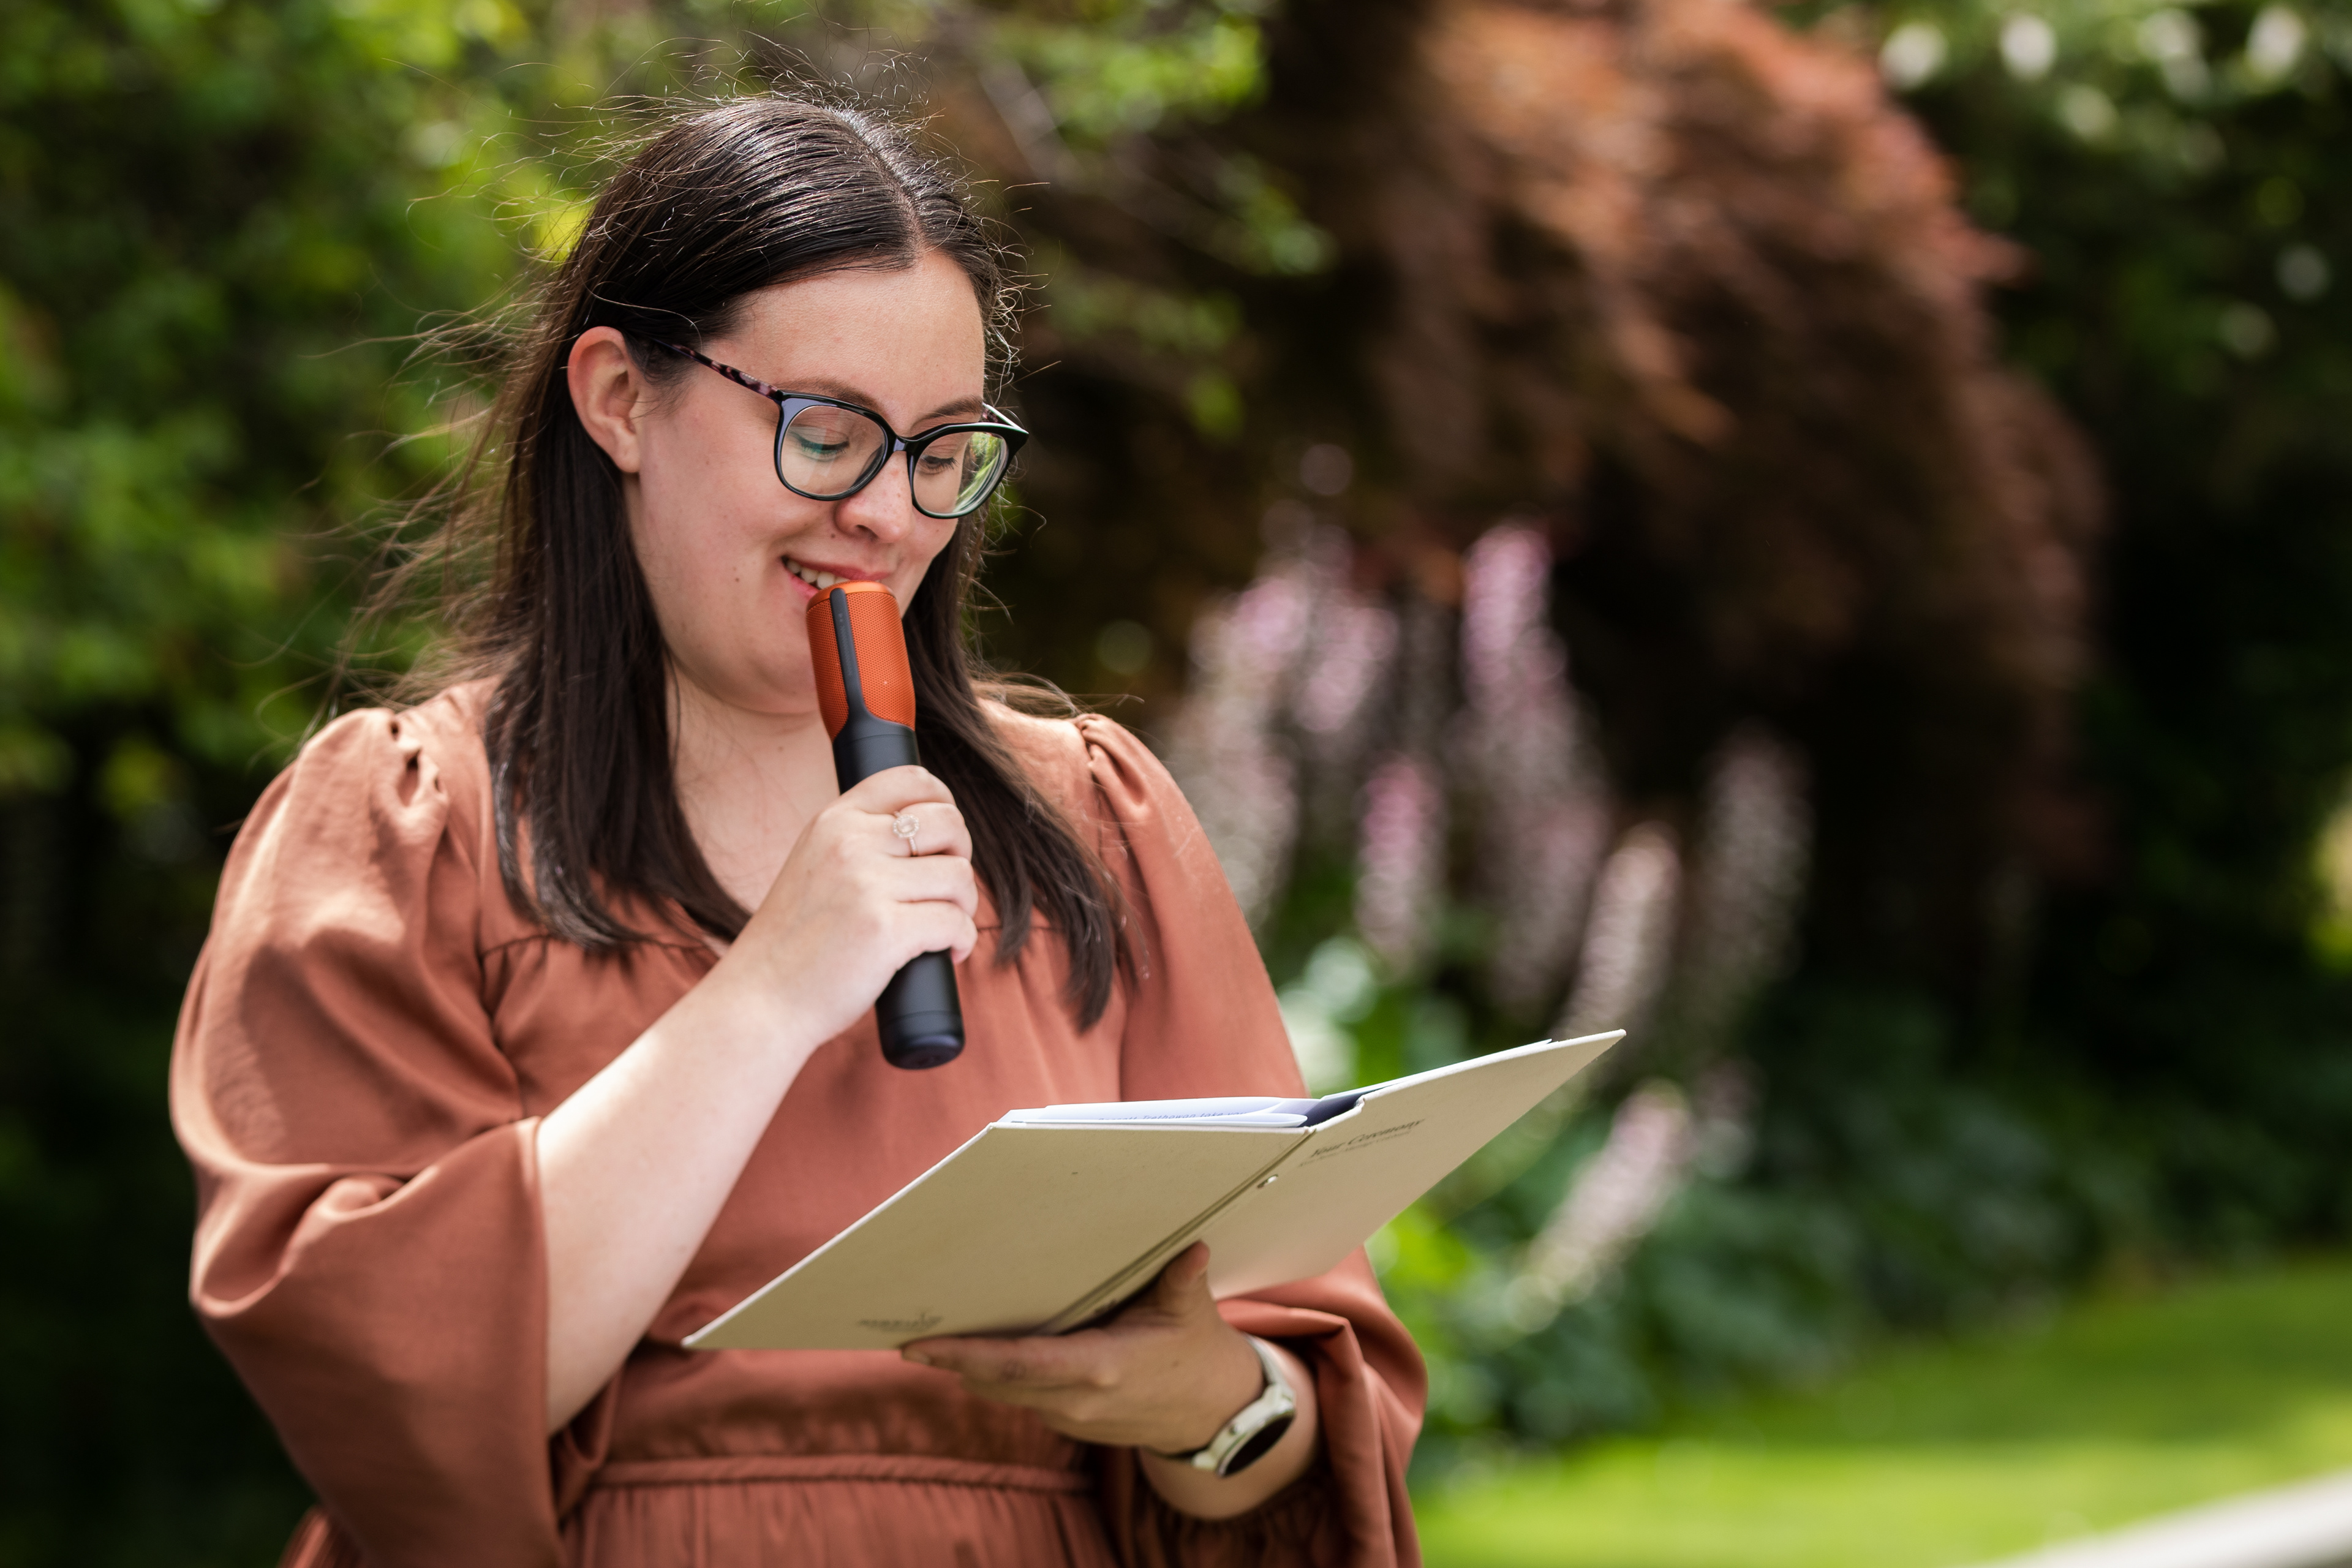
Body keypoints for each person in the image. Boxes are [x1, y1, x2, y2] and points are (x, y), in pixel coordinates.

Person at [170, 94, 1425, 1567]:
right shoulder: (413, 826)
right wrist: (769, 991)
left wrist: (1203, 1398)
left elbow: (1302, 1429)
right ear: (619, 399)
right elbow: (398, 1393)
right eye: (825, 433)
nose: (887, 513)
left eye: (942, 452)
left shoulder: (1096, 822)